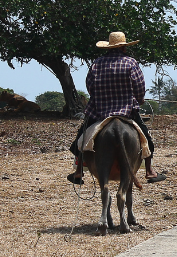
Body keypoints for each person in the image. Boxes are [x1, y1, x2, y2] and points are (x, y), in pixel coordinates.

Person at [67, 31, 166, 184]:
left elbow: (90, 87)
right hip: (126, 111)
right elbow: (139, 87)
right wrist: (138, 100)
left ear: (108, 48)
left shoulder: (97, 63)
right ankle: (149, 170)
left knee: (81, 136)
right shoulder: (131, 63)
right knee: (145, 137)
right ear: (124, 48)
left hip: (99, 112)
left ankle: (79, 170)